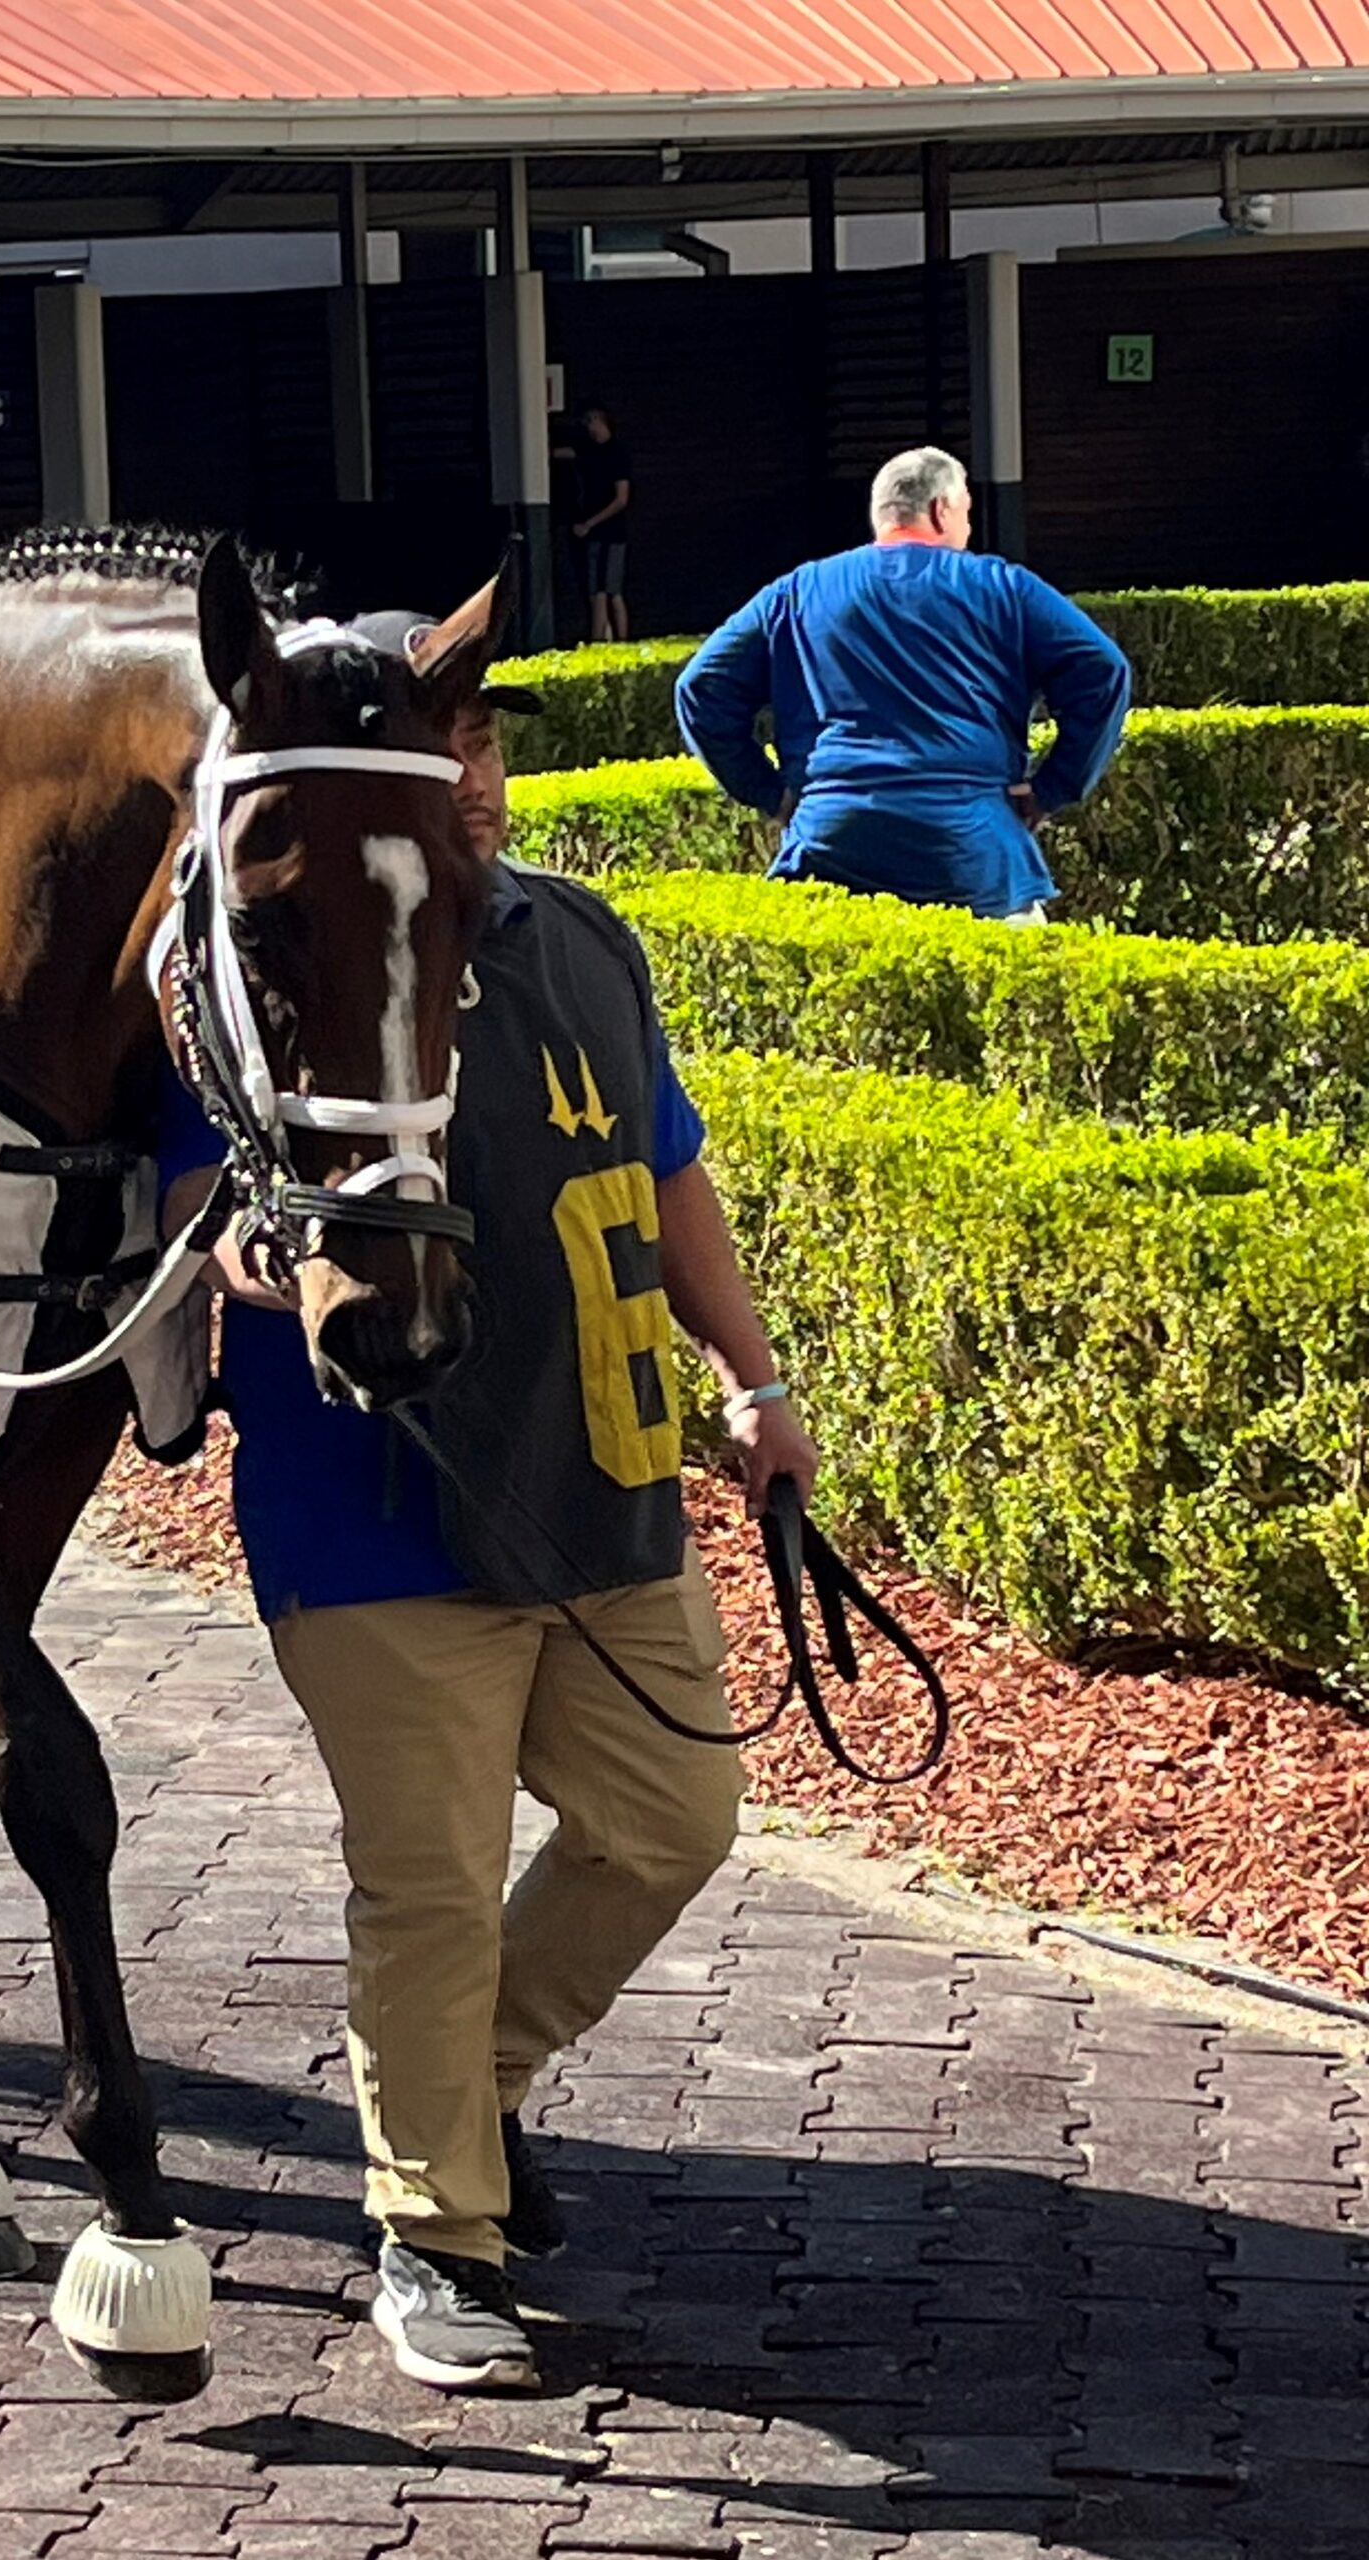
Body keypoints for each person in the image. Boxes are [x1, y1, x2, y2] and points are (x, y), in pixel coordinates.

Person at [160, 600, 815, 2395]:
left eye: (479, 740)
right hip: (377, 1507)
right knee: (432, 1889)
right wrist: (222, 1247)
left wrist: (757, 1382)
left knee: (673, 1821)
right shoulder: (243, 950)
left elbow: (673, 1178)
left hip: (599, 1484)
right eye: (433, 748)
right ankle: (430, 2236)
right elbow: (176, 1198)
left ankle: (470, 2091)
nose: (470, 776)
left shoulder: (586, 942)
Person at [674, 446, 1132, 922]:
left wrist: (769, 792)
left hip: (832, 846)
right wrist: (1052, 788)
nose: (969, 531)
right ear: (941, 510)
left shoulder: (798, 591)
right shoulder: (1003, 587)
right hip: (973, 853)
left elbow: (702, 688)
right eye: (967, 515)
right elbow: (1102, 670)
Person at [561, 405, 632, 641]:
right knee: (602, 591)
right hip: (598, 531)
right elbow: (566, 453)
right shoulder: (590, 451)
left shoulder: (617, 453)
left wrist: (591, 522)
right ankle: (610, 639)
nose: (588, 426)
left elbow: (621, 498)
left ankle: (609, 641)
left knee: (606, 592)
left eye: (592, 421)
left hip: (609, 532)